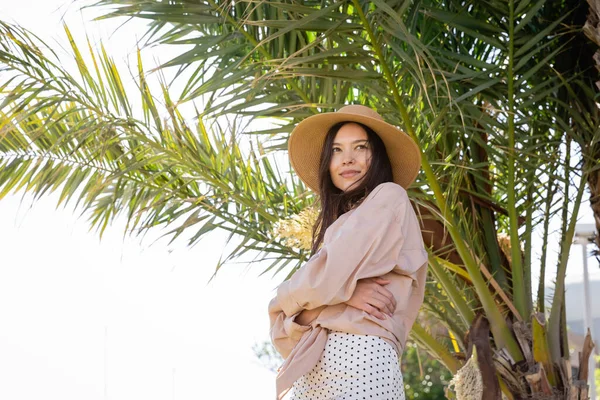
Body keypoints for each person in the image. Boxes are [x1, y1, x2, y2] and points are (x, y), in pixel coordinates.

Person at [268, 104, 428, 400]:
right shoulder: (340, 227)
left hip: (361, 356)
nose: (348, 159)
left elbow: (313, 288)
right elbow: (281, 327)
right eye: (337, 150)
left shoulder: (388, 198)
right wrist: (346, 294)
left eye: (360, 147)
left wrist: (306, 301)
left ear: (377, 155)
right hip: (313, 367)